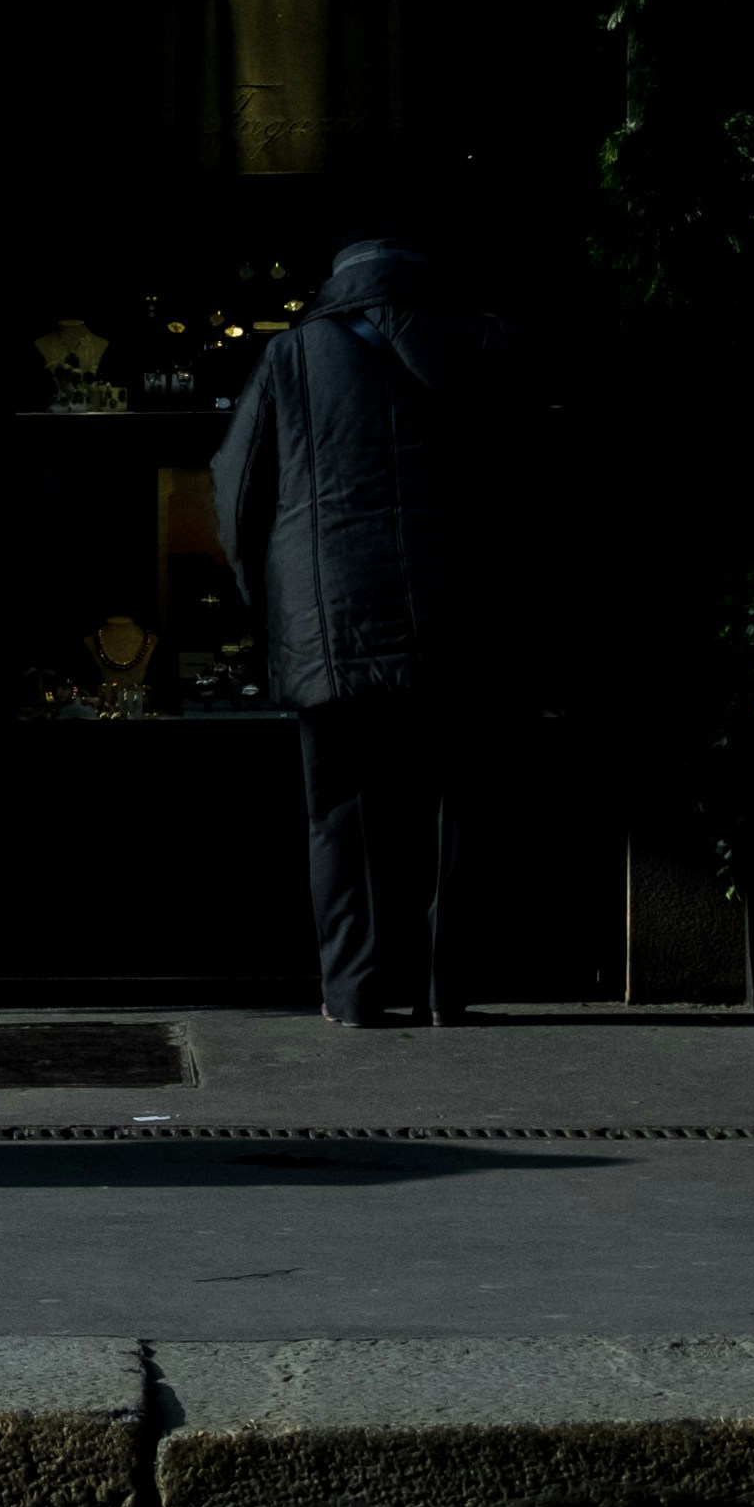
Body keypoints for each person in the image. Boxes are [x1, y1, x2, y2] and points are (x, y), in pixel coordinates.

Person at [214, 232, 499, 1029]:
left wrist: (268, 598)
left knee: (339, 809)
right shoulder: (483, 341)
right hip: (460, 610)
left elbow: (235, 489)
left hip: (328, 613)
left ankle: (353, 991)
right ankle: (447, 991)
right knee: (457, 804)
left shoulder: (294, 355)